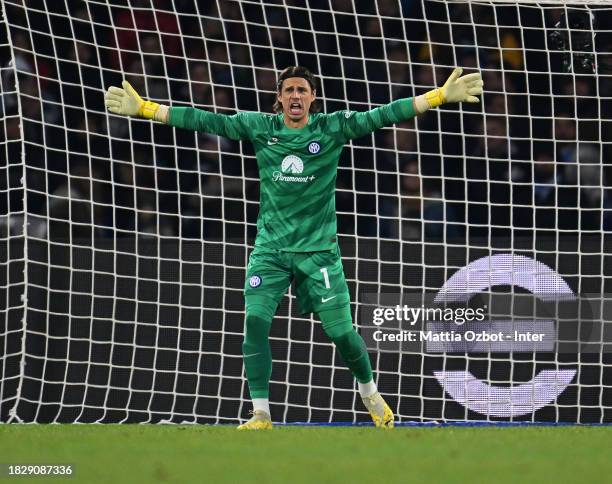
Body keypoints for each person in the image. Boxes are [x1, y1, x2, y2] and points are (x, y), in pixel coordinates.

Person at [105, 66, 483, 429]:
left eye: (302, 89)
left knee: (341, 333)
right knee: (254, 321)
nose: (296, 95)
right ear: (279, 99)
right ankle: (261, 414)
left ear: (313, 97)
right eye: (289, 90)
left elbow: (382, 114)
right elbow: (206, 120)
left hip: (319, 252)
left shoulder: (331, 127)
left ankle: (369, 392)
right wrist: (146, 109)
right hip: (271, 250)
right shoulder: (260, 127)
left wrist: (437, 97)